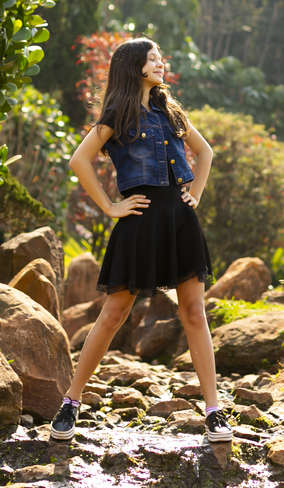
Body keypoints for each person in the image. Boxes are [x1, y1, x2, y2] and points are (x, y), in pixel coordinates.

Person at [51, 37, 231, 443]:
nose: (160, 64)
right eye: (152, 59)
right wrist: (110, 206)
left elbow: (205, 153)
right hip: (140, 221)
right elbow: (79, 160)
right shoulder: (118, 113)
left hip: (180, 220)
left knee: (194, 312)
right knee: (113, 314)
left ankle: (214, 412)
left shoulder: (170, 109)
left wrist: (195, 195)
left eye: (160, 58)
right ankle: (71, 402)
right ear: (133, 66)